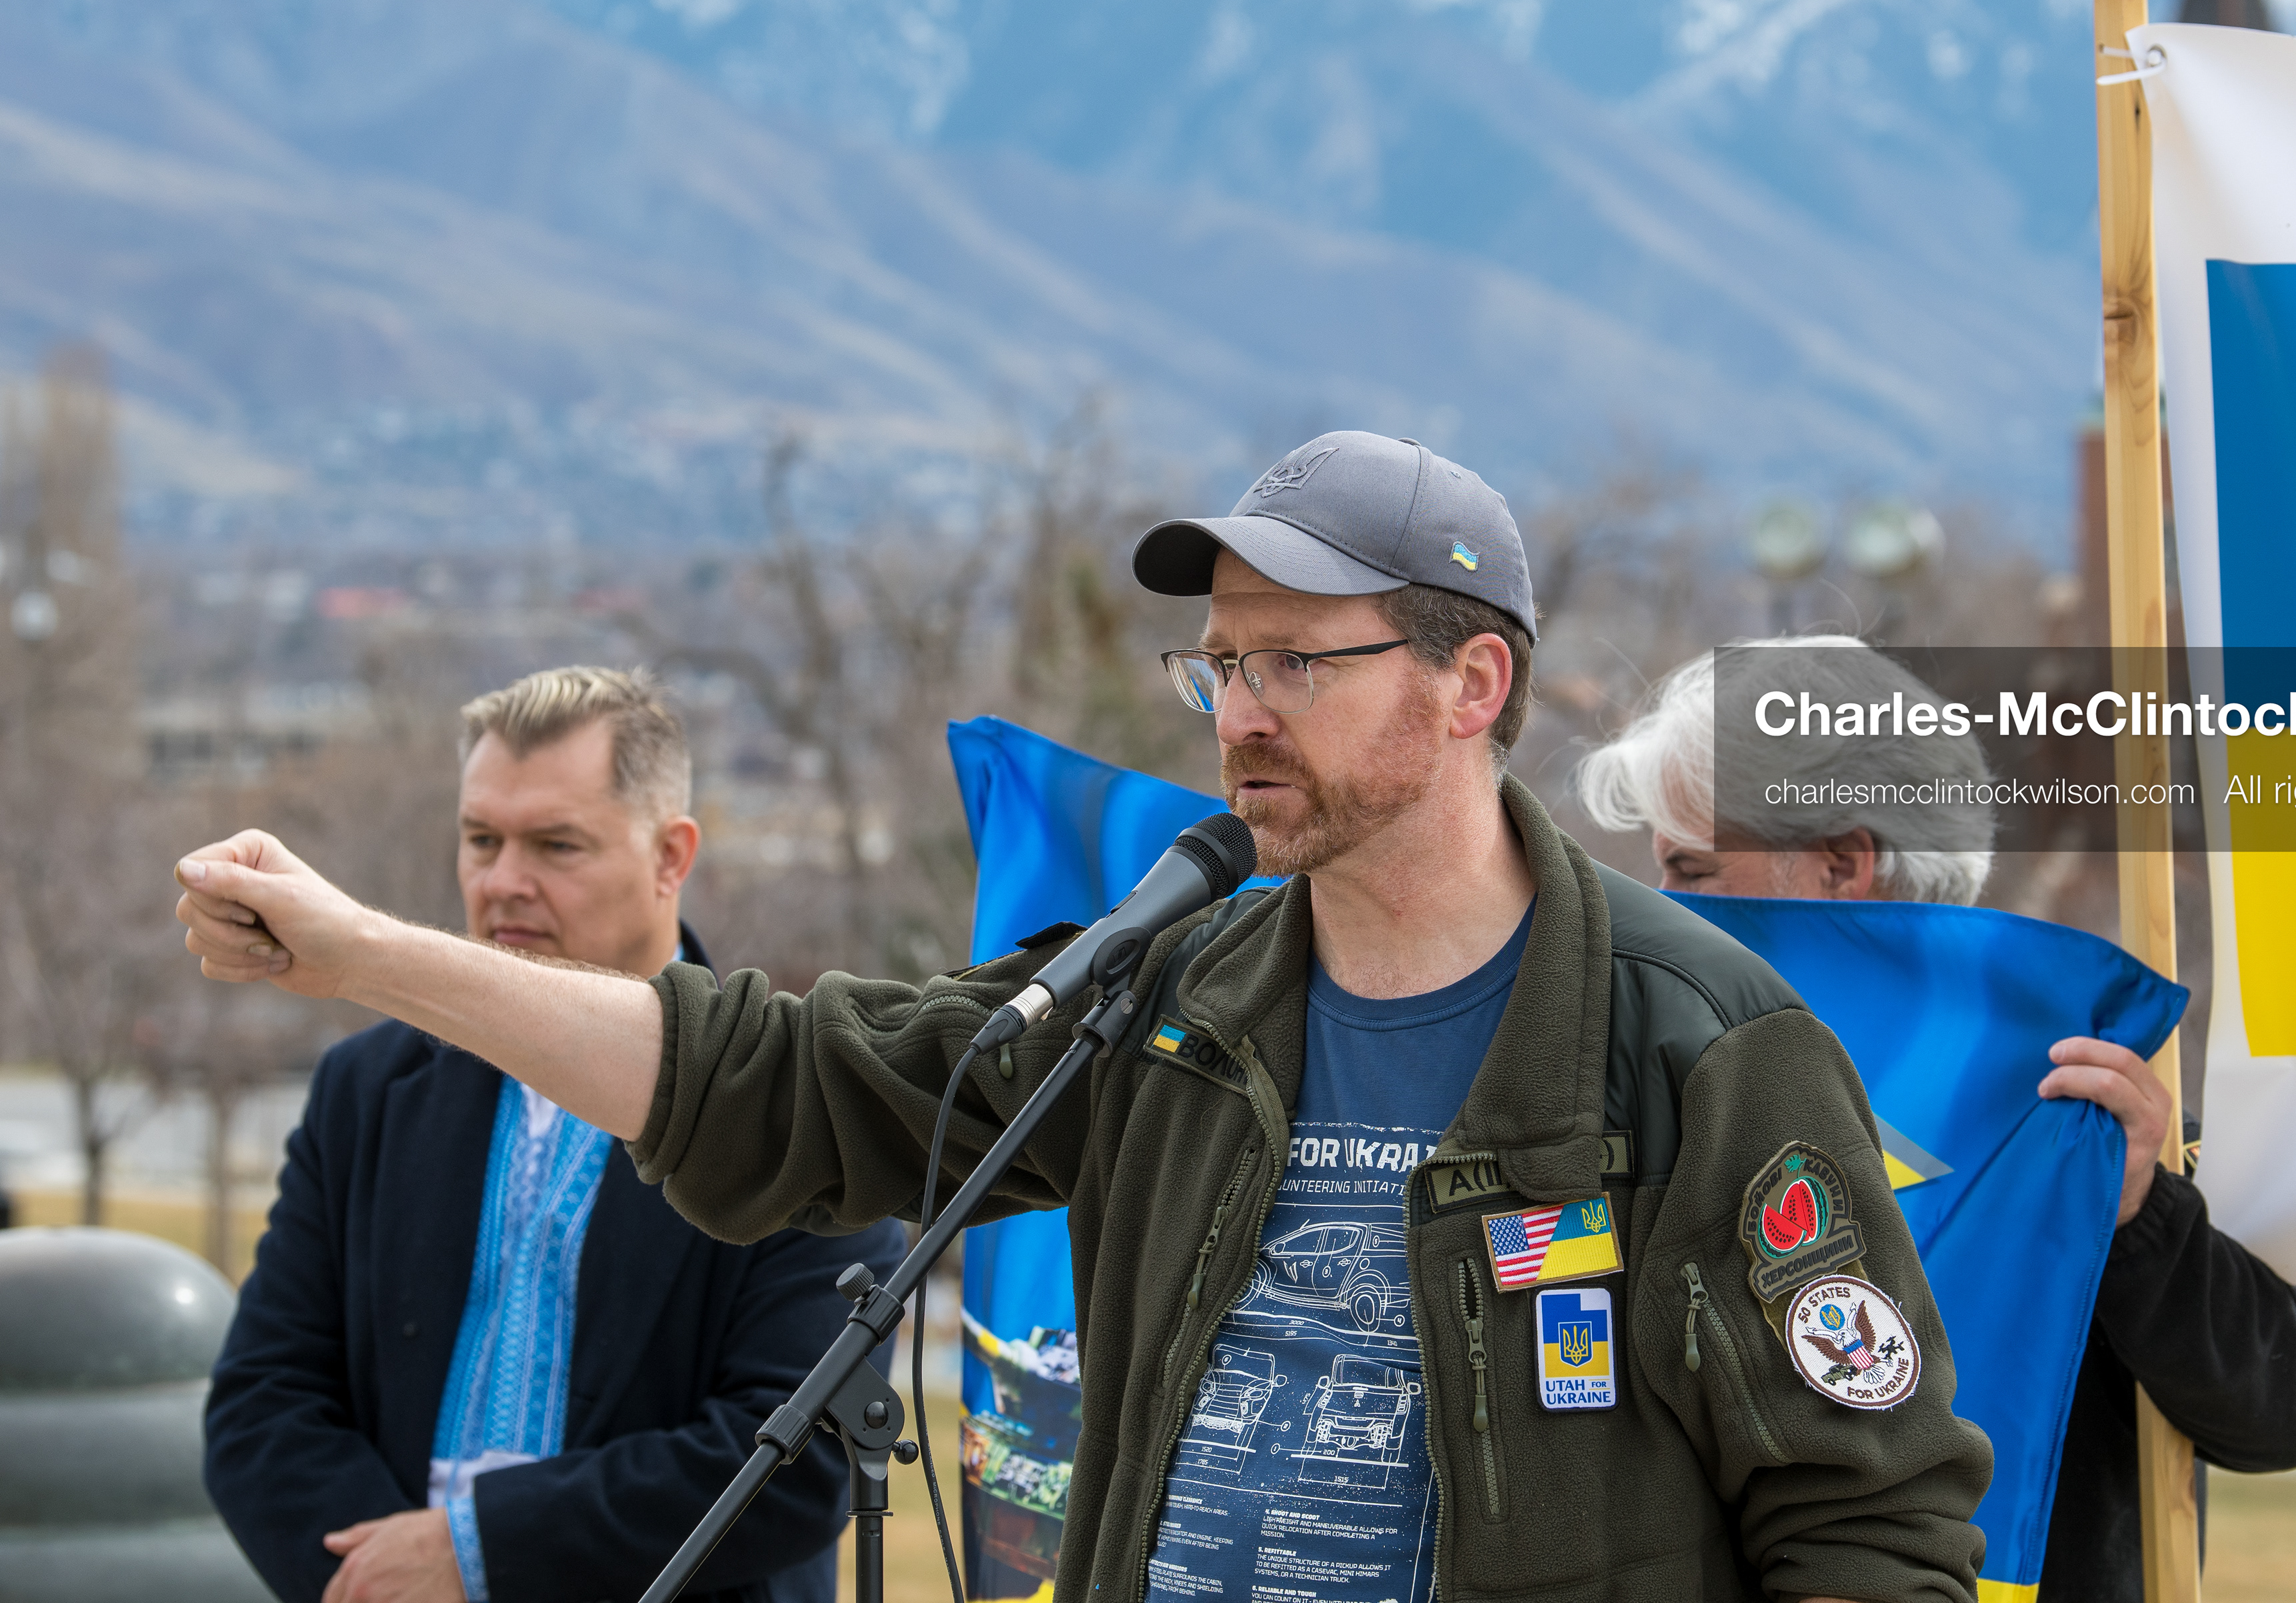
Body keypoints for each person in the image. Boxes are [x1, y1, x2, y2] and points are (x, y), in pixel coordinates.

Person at [177, 435, 1994, 1603]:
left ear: (1473, 683)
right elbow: (779, 1085)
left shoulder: (1700, 1046)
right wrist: (365, 959)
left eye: (1300, 660)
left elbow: (1870, 1523)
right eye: (1221, 663)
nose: (1241, 711)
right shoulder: (1166, 988)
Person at [1573, 633, 2296, 1603]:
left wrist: (2143, 1214)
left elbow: (2282, 1413)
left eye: (1693, 869)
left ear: (1843, 865)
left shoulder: (2086, 1091)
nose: (1665, 909)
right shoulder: (1652, 1074)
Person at [201, 667, 905, 1603]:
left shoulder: (792, 1099)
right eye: (481, 839)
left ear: (671, 856)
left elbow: (798, 1456)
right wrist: (378, 1580)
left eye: (555, 845)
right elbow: (263, 1404)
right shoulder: (365, 1089)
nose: (503, 882)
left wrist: (475, 1557)